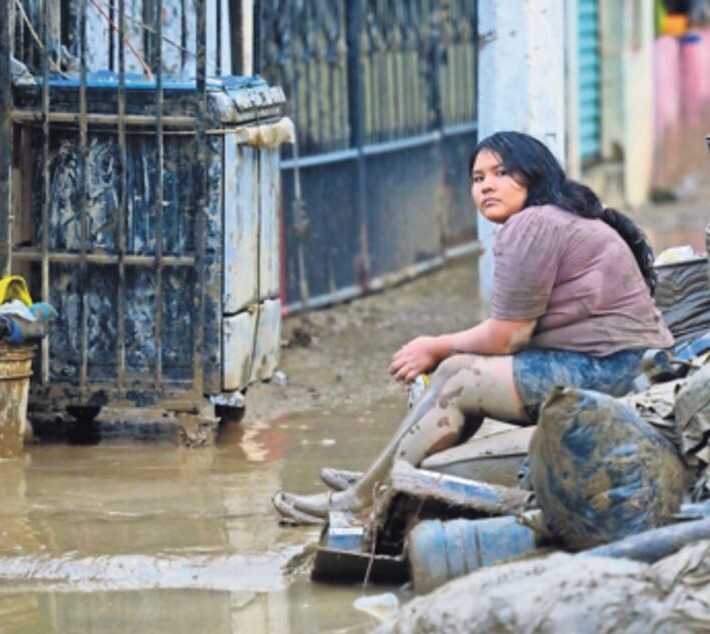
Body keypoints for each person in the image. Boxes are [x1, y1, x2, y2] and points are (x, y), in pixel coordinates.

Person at [272, 130, 673, 525]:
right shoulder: (554, 219)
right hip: (629, 365)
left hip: (614, 371)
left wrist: (435, 345)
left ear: (533, 176)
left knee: (457, 376)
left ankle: (363, 499)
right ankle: (381, 479)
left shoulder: (532, 224)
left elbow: (508, 335)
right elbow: (512, 330)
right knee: (461, 368)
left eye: (501, 173)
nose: (486, 187)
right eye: (478, 179)